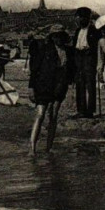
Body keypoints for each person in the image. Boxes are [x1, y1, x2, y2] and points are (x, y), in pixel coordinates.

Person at [28, 25, 74, 155]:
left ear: (63, 37)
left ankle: (48, 148)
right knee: (40, 114)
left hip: (60, 85)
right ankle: (32, 148)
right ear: (52, 37)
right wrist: (31, 87)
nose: (57, 38)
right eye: (55, 36)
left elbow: (71, 69)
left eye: (59, 36)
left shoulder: (69, 51)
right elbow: (34, 70)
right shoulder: (43, 49)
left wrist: (70, 82)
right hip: (43, 85)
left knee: (53, 116)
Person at [72, 7, 101, 118]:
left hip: (89, 58)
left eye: (82, 18)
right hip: (79, 58)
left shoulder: (94, 31)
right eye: (78, 18)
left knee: (90, 85)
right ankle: (81, 110)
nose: (80, 20)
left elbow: (97, 47)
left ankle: (90, 111)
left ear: (88, 18)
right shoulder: (77, 31)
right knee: (80, 84)